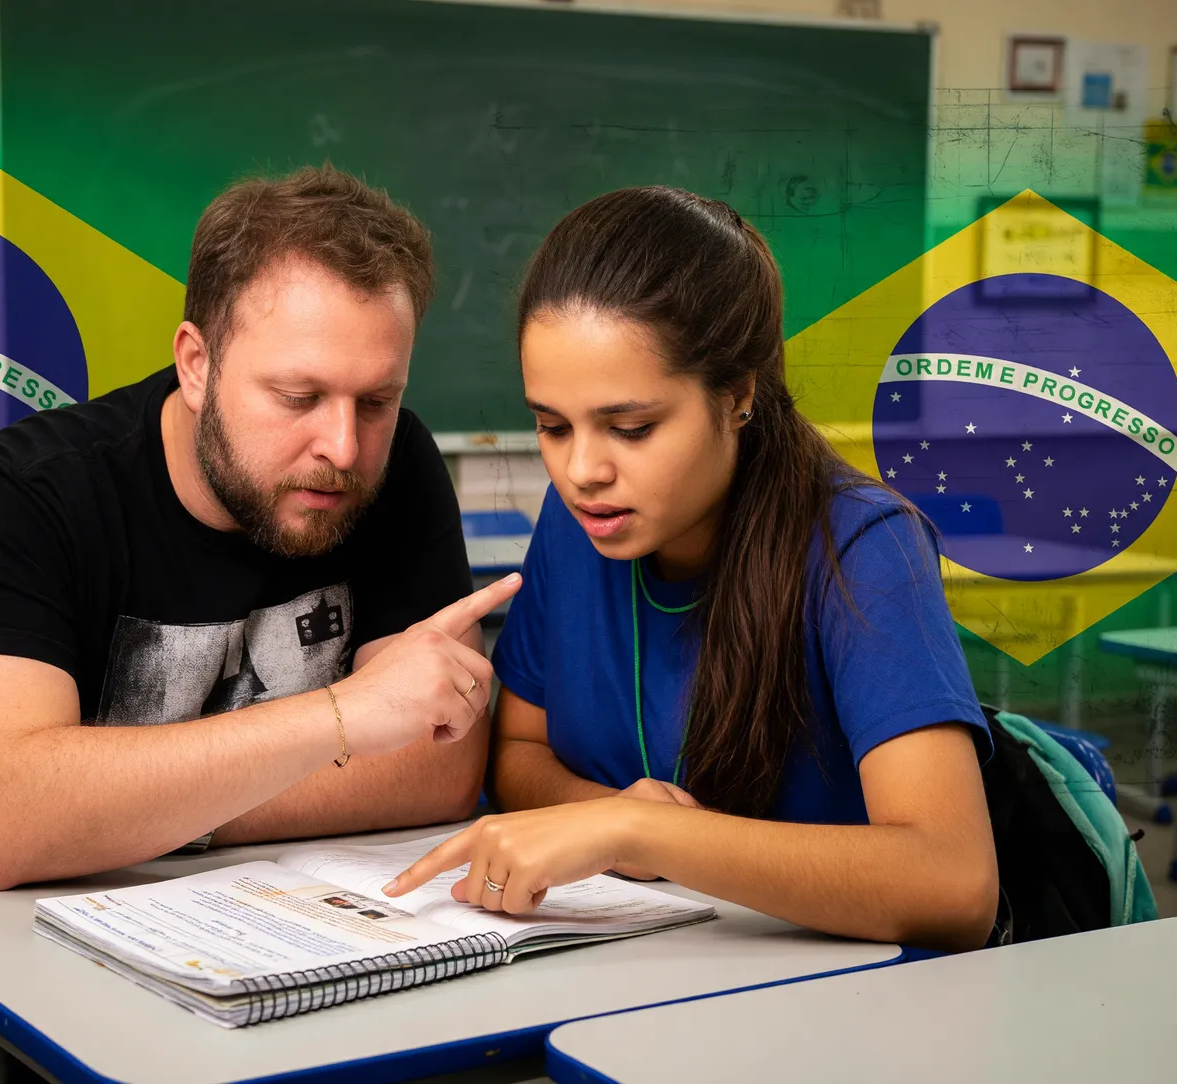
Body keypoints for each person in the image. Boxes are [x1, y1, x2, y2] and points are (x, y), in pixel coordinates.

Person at [0, 165, 519, 1082]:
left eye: (377, 400)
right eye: (298, 397)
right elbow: (5, 828)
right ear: (197, 364)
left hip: (290, 912)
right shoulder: (19, 498)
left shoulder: (393, 471)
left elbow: (438, 767)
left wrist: (123, 807)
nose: (342, 447)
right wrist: (343, 721)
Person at [385, 186, 1000, 952]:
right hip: (633, 968)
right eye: (551, 425)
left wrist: (641, 832)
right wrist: (610, 818)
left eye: (631, 427)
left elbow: (956, 883)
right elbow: (517, 755)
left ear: (738, 396)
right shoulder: (577, 525)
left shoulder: (863, 547)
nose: (581, 471)